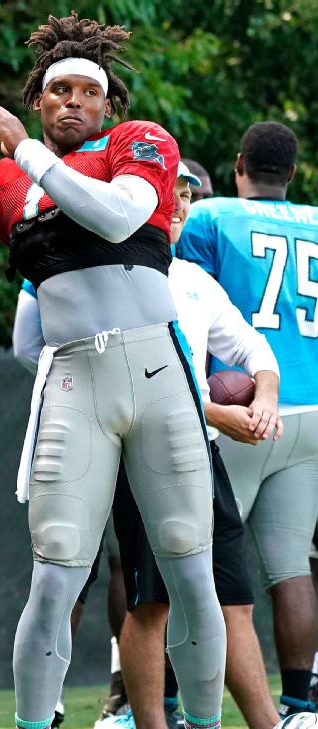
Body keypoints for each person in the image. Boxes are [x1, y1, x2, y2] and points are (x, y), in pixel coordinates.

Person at [0, 13, 227, 729]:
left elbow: (118, 217)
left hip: (158, 373)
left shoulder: (139, 141)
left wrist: (30, 153)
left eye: (83, 91)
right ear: (38, 99)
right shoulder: (12, 181)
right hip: (74, 380)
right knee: (53, 572)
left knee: (191, 569)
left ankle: (205, 723)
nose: (70, 100)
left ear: (105, 104)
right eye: (56, 90)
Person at [16, 163, 281, 729]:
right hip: (137, 453)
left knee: (229, 598)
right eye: (168, 192)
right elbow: (43, 352)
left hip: (201, 456)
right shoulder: (96, 265)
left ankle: (266, 723)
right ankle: (144, 721)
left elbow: (252, 348)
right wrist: (212, 410)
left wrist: (263, 396)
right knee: (148, 603)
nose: (179, 203)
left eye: (187, 195)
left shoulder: (195, 279)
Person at [177, 121, 318, 716]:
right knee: (290, 567)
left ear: (238, 166)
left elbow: (183, 297)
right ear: (291, 173)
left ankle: (174, 703)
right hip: (310, 412)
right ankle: (297, 706)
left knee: (191, 565)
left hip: (238, 410)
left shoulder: (213, 218)